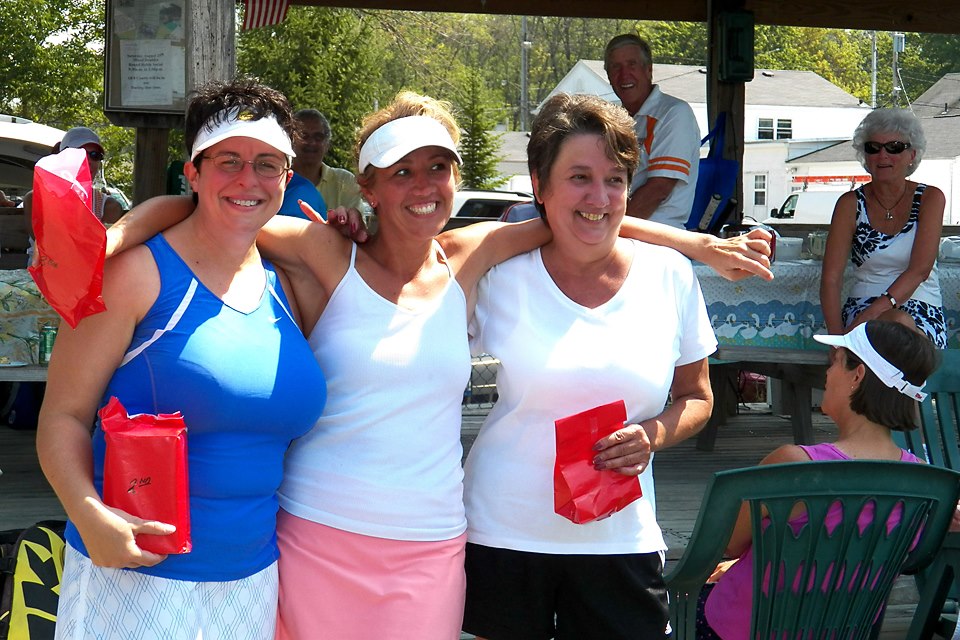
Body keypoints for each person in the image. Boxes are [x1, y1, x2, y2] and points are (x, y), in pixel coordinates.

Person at [107, 91, 773, 639]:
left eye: (438, 168)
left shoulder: (467, 256)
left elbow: (588, 213)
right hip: (320, 530)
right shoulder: (328, 251)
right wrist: (110, 240)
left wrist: (699, 246)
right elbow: (200, 212)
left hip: (435, 537)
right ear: (367, 187)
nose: (423, 186)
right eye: (401, 172)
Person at [36, 78, 327, 640]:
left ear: (287, 178)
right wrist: (88, 513)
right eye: (228, 161)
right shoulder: (134, 274)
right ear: (192, 172)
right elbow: (62, 416)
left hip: (252, 580)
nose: (248, 179)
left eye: (267, 164)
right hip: (135, 574)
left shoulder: (289, 286)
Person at [461, 93, 716, 640]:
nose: (599, 198)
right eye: (579, 177)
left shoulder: (670, 274)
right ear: (539, 184)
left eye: (615, 179)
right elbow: (428, 265)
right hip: (505, 531)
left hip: (620, 536)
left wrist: (652, 435)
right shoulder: (500, 275)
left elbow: (697, 397)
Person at [698, 320, 938, 639]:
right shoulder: (923, 483)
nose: (827, 372)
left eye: (835, 360)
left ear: (857, 375)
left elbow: (729, 542)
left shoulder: (796, 466)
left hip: (746, 628)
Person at [820, 108, 947, 348]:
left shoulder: (930, 198)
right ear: (865, 155)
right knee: (894, 336)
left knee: (898, 326)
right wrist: (837, 343)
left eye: (894, 147)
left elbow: (919, 270)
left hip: (921, 308)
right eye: (873, 147)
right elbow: (831, 278)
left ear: (912, 155)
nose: (883, 155)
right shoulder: (849, 204)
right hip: (861, 305)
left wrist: (874, 314)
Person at [604, 33, 700, 228]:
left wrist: (608, 229)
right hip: (620, 231)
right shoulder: (612, 119)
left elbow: (658, 189)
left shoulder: (673, 113)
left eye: (632, 65)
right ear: (608, 76)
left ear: (649, 70)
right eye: (616, 67)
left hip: (655, 233)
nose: (624, 75)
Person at [24, 127, 124, 265]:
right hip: (46, 272)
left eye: (95, 155)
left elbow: (108, 253)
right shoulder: (35, 199)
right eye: (79, 154)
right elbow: (46, 244)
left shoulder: (109, 206)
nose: (88, 161)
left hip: (90, 274)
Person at [292, 109, 365, 211]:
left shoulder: (344, 182)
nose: (311, 142)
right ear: (290, 140)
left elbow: (356, 220)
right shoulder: (278, 180)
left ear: (327, 144)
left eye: (318, 137)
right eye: (304, 136)